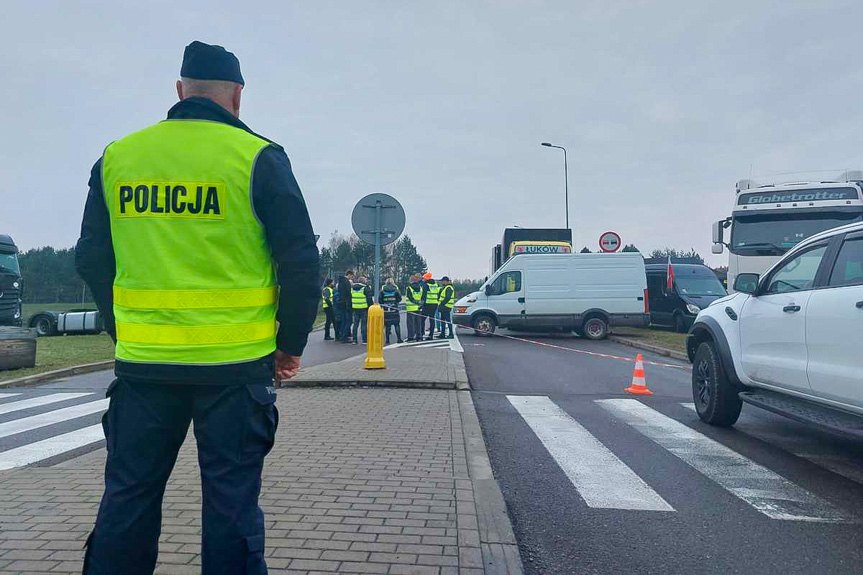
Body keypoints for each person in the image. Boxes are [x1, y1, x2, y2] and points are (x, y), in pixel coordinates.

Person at [73, 41, 319, 575]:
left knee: (129, 498)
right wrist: (291, 344)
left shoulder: (118, 157)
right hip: (236, 369)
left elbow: (91, 257)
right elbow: (301, 261)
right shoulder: (259, 158)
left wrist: (124, 330)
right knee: (231, 506)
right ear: (237, 98)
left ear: (180, 91)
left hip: (144, 369)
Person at [379, 278, 403, 344]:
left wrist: (384, 305)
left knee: (387, 325)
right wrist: (395, 303)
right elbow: (399, 298)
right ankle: (399, 339)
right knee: (397, 324)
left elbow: (380, 299)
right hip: (394, 309)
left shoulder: (383, 289)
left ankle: (387, 340)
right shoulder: (396, 289)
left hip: (386, 310)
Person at [350, 276, 373, 344]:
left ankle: (354, 340)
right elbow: (369, 299)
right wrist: (370, 307)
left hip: (355, 308)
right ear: (364, 281)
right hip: (363, 308)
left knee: (355, 324)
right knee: (363, 324)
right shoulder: (365, 288)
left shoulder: (352, 288)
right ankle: (364, 340)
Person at [335, 270, 354, 342]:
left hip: (341, 303)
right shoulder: (346, 282)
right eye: (352, 276)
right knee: (348, 320)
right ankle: (344, 336)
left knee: (344, 320)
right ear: (349, 274)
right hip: (346, 304)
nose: (351, 278)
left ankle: (341, 335)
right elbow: (348, 294)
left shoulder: (341, 282)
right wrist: (348, 304)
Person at [422, 272, 441, 340]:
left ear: (426, 279)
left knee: (422, 319)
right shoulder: (436, 285)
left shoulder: (426, 285)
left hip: (427, 304)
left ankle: (421, 333)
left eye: (424, 278)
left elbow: (423, 295)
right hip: (435, 304)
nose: (423, 279)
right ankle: (431, 335)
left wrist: (422, 303)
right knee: (432, 319)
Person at [405, 274, 424, 342]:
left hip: (411, 309)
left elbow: (410, 298)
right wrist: (420, 304)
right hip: (418, 309)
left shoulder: (409, 288)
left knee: (410, 324)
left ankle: (411, 337)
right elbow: (422, 297)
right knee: (418, 324)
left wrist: (415, 302)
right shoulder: (420, 288)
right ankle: (419, 336)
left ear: (411, 280)